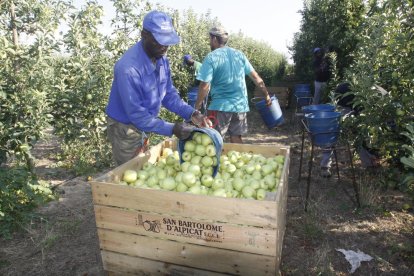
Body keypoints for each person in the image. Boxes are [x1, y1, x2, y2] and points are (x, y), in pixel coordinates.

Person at [105, 10, 212, 166]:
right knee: (132, 173)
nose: (164, 47)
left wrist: (192, 113)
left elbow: (168, 95)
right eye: (159, 41)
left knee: (144, 168)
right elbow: (136, 114)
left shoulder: (161, 59)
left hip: (144, 123)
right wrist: (172, 128)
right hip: (125, 128)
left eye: (167, 41)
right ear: (144, 35)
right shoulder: (128, 69)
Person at [194, 26, 272, 143]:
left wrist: (197, 107)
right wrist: (266, 95)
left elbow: (204, 86)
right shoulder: (239, 55)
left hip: (220, 106)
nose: (209, 42)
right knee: (236, 138)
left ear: (214, 39)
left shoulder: (211, 57)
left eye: (210, 39)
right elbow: (256, 78)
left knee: (214, 140)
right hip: (240, 106)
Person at [320, 83, 379, 177]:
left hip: (341, 103)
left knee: (331, 136)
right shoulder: (368, 95)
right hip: (343, 106)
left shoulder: (372, 90)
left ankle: (325, 167)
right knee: (355, 136)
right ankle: (369, 165)